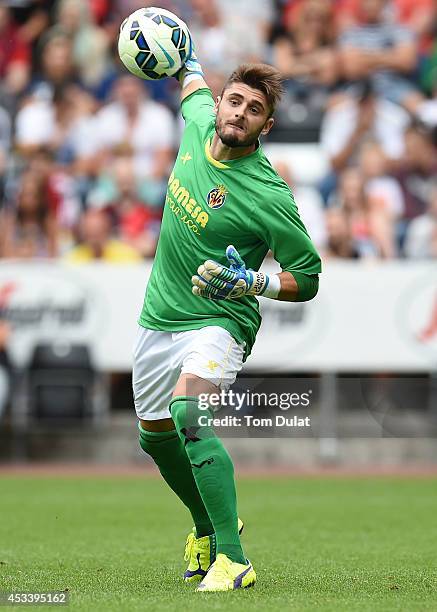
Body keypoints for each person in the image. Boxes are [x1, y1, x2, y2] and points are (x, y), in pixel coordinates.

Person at [132, 29, 321, 593]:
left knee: (191, 415)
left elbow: (307, 278)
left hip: (221, 320)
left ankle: (234, 561)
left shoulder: (269, 194)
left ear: (266, 126)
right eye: (235, 100)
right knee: (154, 435)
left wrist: (254, 282)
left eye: (255, 109)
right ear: (220, 103)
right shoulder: (195, 117)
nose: (240, 113)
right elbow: (188, 76)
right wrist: (184, 55)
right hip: (160, 312)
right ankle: (208, 528)